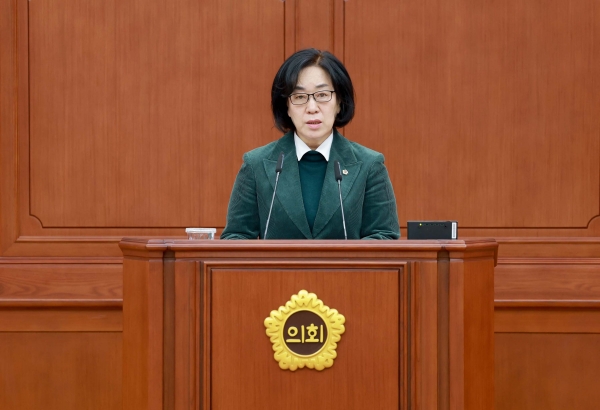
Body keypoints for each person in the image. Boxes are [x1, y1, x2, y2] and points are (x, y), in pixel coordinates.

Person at [220, 48, 400, 240]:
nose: (312, 108)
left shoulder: (369, 165)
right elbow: (236, 238)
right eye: (299, 97)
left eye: (322, 95)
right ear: (286, 107)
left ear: (339, 102)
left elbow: (384, 236)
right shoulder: (256, 165)